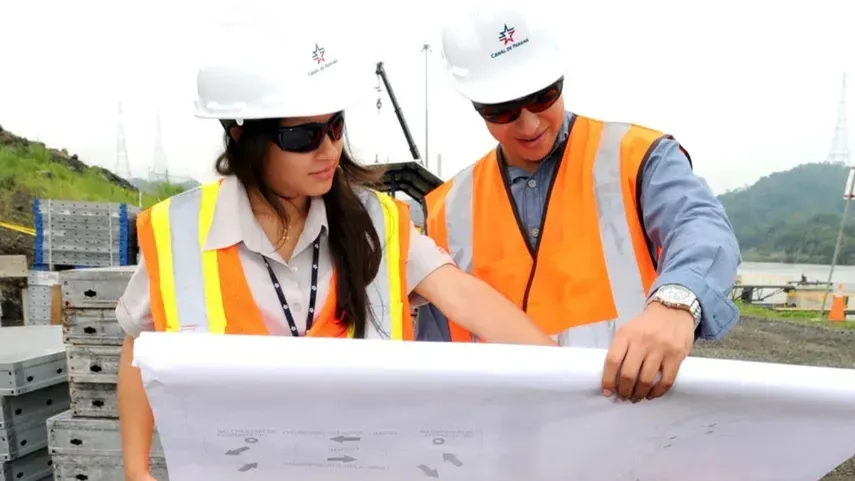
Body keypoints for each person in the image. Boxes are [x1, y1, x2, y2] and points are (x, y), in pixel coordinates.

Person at [115, 24, 555, 481]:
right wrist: (135, 468)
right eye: (303, 137)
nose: (329, 150)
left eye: (335, 127)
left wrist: (572, 373)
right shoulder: (179, 232)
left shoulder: (375, 224)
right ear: (242, 136)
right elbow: (140, 346)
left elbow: (465, 298)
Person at [418, 1, 741, 403]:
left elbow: (702, 226)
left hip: (628, 414)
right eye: (502, 110)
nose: (530, 124)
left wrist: (674, 304)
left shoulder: (638, 157)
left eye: (543, 96)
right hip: (497, 424)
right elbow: (431, 353)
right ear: (474, 104)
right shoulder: (444, 210)